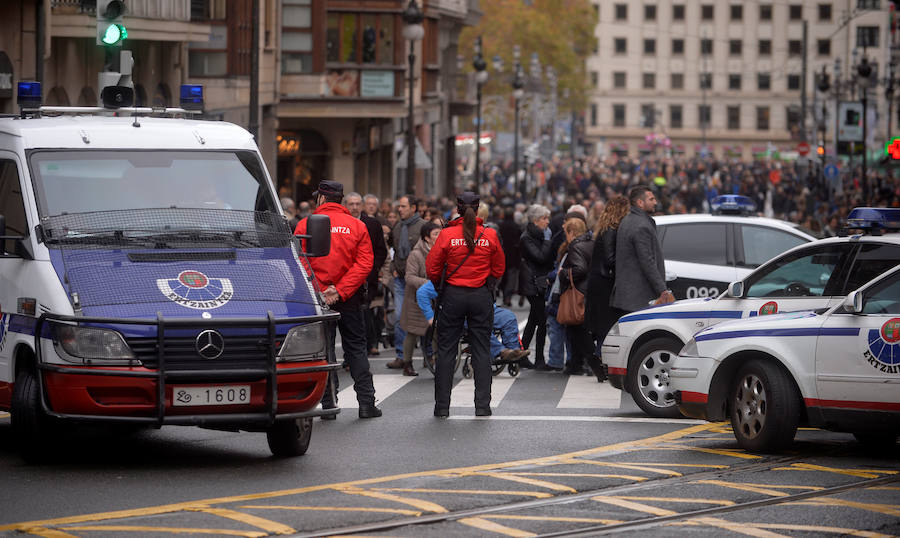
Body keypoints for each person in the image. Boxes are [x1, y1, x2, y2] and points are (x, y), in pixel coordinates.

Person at [294, 180, 381, 419]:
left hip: (317, 297)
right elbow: (364, 264)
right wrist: (340, 290)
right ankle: (366, 402)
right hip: (349, 296)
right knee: (356, 349)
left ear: (321, 199)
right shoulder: (356, 225)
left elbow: (300, 261)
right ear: (341, 200)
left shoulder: (304, 224)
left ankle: (329, 404)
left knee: (324, 351)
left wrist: (321, 290)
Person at [426, 192, 505, 418]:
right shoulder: (489, 234)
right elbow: (499, 266)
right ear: (478, 208)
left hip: (453, 294)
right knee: (482, 349)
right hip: (480, 295)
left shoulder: (447, 234)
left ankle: (442, 406)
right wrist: (488, 280)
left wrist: (439, 284)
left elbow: (432, 266)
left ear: (457, 208)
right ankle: (482, 406)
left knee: (447, 351)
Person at [585, 195, 629, 379]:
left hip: (598, 280)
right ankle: (599, 357)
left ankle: (600, 359)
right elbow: (611, 259)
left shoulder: (605, 228)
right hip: (604, 281)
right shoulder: (612, 230)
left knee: (603, 322)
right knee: (607, 322)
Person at [612, 185, 675, 314]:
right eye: (651, 199)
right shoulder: (641, 225)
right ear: (640, 203)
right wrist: (662, 290)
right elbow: (647, 261)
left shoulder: (628, 220)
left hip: (629, 296)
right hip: (638, 297)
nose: (655, 202)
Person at [344, 192, 388, 359]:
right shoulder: (341, 223)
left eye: (357, 204)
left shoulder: (372, 224)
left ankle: (366, 347)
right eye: (351, 204)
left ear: (361, 206)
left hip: (367, 279)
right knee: (350, 317)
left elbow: (380, 251)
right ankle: (352, 354)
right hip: (346, 279)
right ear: (345, 205)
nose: (354, 207)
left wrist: (372, 268)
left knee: (364, 313)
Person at [398, 222, 442, 376]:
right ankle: (407, 364)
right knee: (413, 332)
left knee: (437, 330)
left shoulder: (441, 251)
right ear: (426, 237)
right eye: (436, 234)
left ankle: (436, 360)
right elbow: (409, 277)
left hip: (435, 298)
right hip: (416, 299)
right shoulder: (416, 254)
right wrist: (429, 284)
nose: (439, 236)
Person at [387, 195, 425, 369]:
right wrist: (393, 267)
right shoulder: (397, 227)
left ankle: (429, 355)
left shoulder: (422, 226)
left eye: (403, 206)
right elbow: (394, 250)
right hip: (400, 280)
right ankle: (401, 355)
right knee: (400, 316)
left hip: (418, 280)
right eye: (399, 207)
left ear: (413, 208)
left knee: (424, 317)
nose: (400, 209)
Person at [519, 204, 554, 370]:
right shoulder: (527, 237)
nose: (547, 222)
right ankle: (539, 359)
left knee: (533, 320)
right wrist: (547, 240)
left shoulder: (538, 235)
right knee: (541, 320)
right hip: (532, 283)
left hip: (539, 282)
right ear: (535, 220)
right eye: (544, 218)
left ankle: (521, 353)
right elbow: (540, 257)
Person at [498, 206, 522, 307]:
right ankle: (507, 297)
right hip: (513, 255)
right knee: (511, 278)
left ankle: (503, 295)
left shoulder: (500, 226)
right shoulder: (516, 226)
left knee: (503, 277)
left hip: (502, 254)